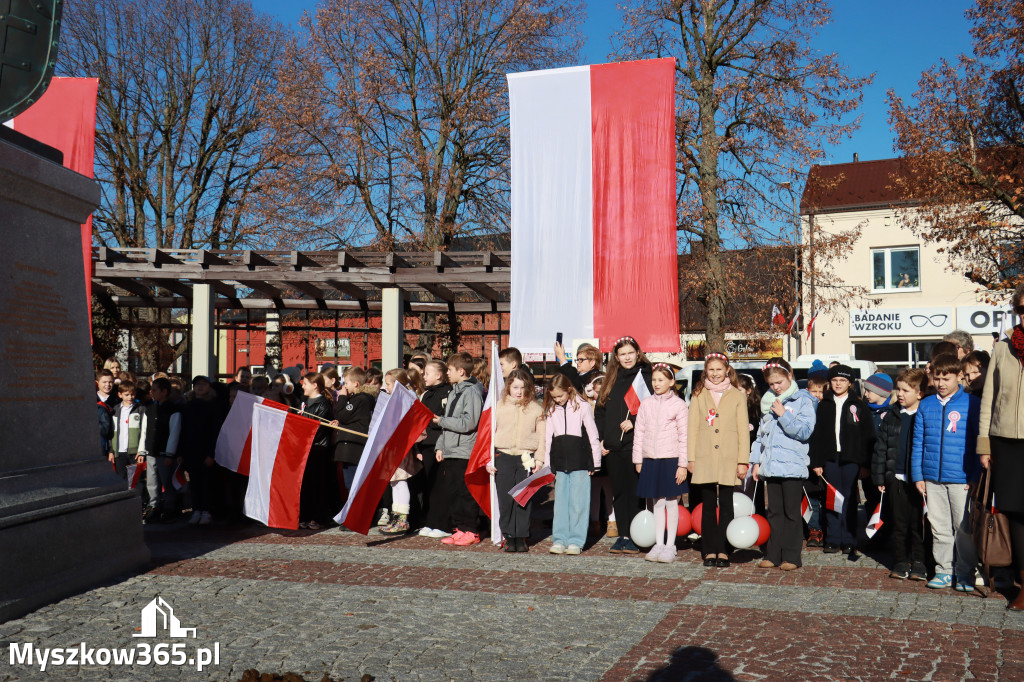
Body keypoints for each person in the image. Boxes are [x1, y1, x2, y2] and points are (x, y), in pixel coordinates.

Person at [912, 352, 981, 591]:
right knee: (938, 526)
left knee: (963, 528)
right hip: (932, 477)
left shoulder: (972, 403)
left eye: (947, 378)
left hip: (961, 478)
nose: (941, 383)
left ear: (959, 376)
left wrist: (974, 476)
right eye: (937, 378)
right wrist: (918, 475)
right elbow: (918, 441)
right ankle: (943, 570)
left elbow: (976, 443)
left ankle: (965, 572)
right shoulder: (926, 404)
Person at [978, 283, 1024, 609]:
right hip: (1007, 442)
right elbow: (988, 400)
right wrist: (984, 444)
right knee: (1016, 515)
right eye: (1022, 309)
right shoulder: (1003, 347)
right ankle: (1023, 584)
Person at [750, 358, 817, 571]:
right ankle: (773, 553)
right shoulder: (768, 402)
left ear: (789, 376)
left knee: (791, 512)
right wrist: (756, 461)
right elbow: (761, 436)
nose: (776, 387)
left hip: (792, 466)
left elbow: (805, 431)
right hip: (771, 466)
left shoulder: (803, 400)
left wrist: (784, 416)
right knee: (774, 512)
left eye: (779, 382)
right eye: (771, 384)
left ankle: (791, 556)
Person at [687, 353, 748, 567]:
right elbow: (692, 427)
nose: (715, 374)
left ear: (727, 370)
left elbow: (743, 430)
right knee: (708, 503)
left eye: (719, 370)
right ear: (706, 371)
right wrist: (691, 458)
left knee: (727, 504)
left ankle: (724, 549)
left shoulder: (737, 396)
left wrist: (743, 460)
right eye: (711, 370)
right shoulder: (698, 394)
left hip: (729, 456)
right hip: (705, 456)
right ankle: (709, 549)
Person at [594, 336, 653, 555]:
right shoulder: (611, 378)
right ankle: (624, 535)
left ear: (638, 353)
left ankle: (637, 535)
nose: (627, 357)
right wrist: (601, 438)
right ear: (616, 358)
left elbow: (654, 408)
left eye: (630, 353)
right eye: (622, 354)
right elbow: (600, 412)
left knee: (634, 492)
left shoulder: (646, 376)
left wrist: (635, 421)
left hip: (634, 445)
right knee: (618, 493)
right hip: (612, 447)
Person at [809, 364, 876, 555]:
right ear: (829, 382)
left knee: (849, 499)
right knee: (832, 498)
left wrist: (865, 463)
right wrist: (817, 462)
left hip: (852, 459)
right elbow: (817, 435)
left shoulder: (859, 405)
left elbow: (867, 436)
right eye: (835, 380)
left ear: (850, 383)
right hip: (830, 458)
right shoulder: (823, 405)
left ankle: (849, 539)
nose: (838, 384)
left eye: (843, 381)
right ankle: (832, 538)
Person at [872, 368, 929, 581]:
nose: (900, 394)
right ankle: (900, 561)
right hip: (895, 478)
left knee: (918, 524)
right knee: (899, 522)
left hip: (919, 480)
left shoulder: (924, 413)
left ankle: (920, 562)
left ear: (920, 393)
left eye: (906, 390)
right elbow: (881, 448)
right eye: (898, 389)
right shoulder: (892, 415)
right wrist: (880, 477)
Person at [633, 363, 689, 563]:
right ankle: (658, 543)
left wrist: (683, 464)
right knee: (657, 502)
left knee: (672, 502)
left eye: (661, 380)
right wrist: (638, 458)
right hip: (651, 458)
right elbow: (639, 432)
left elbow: (684, 436)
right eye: (654, 380)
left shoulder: (679, 405)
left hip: (671, 458)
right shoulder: (646, 403)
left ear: (671, 382)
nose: (656, 384)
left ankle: (670, 544)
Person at [486, 368, 545, 552]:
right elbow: (488, 434)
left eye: (523, 387)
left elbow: (543, 437)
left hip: (526, 457)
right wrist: (488, 459)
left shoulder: (535, 408)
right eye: (515, 387)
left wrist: (540, 460)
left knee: (524, 499)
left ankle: (522, 536)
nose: (519, 391)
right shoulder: (499, 407)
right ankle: (509, 536)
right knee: (506, 499)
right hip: (503, 456)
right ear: (508, 388)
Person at [544, 373, 602, 556]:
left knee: (578, 503)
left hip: (580, 462)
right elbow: (548, 439)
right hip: (560, 462)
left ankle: (576, 540)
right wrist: (547, 464)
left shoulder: (583, 407)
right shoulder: (552, 409)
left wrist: (595, 462)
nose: (558, 400)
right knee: (560, 503)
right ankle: (560, 539)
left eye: (560, 396)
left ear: (569, 390)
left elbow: (593, 435)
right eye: (554, 397)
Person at [434, 352, 486, 546]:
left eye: (450, 369)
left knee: (465, 494)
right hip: (451, 450)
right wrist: (441, 446)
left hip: (464, 450)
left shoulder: (471, 391)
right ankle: (459, 528)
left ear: (461, 371)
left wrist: (441, 421)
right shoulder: (454, 390)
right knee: (454, 493)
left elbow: (469, 422)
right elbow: (450, 424)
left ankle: (471, 530)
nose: (447, 373)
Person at [381, 369, 427, 535]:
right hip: (394, 446)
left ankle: (402, 519)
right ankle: (397, 516)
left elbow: (410, 425)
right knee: (395, 482)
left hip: (402, 446)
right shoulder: (400, 398)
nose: (386, 388)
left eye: (388, 384)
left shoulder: (406, 398)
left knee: (400, 481)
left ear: (397, 384)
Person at [179, 376, 227, 526]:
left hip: (205, 450)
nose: (199, 387)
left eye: (203, 384)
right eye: (197, 384)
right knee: (194, 482)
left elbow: (214, 432)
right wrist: (181, 452)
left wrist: (211, 453)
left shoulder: (213, 406)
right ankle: (197, 510)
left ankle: (206, 510)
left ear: (209, 387)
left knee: (206, 482)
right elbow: (183, 431)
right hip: (191, 450)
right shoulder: (188, 406)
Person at [415, 360, 453, 538]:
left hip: (440, 442)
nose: (424, 376)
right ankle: (430, 521)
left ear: (438, 375)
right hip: (426, 443)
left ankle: (442, 523)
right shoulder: (425, 394)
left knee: (440, 485)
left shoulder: (447, 392)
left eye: (427, 373)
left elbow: (445, 419)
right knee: (429, 485)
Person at [299, 372, 337, 530]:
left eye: (305, 383)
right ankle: (305, 515)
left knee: (317, 485)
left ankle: (317, 517)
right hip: (306, 450)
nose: (302, 386)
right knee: (306, 485)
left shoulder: (322, 404)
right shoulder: (305, 402)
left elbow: (318, 430)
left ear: (315, 385)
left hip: (318, 449)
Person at [332, 367, 375, 502]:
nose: (345, 386)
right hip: (350, 446)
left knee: (352, 483)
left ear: (356, 384)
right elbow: (349, 418)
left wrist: (343, 397)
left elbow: (343, 415)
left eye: (347, 383)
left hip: (353, 447)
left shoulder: (360, 399)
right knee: (349, 483)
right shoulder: (358, 399)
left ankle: (355, 517)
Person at [146, 377, 182, 523]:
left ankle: (170, 507)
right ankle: (153, 506)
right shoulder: (151, 408)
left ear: (164, 392)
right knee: (152, 481)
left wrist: (170, 454)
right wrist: (144, 449)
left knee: (167, 482)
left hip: (164, 453)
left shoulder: (172, 410)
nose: (152, 392)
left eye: (155, 390)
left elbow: (174, 432)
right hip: (151, 451)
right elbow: (146, 430)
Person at [110, 381, 145, 480]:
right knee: (121, 478)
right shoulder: (115, 410)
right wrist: (111, 450)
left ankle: (138, 495)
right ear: (120, 395)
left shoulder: (140, 409)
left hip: (135, 452)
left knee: (136, 479)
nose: (130, 397)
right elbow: (111, 432)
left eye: (132, 394)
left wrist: (142, 450)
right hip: (119, 451)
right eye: (126, 395)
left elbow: (144, 431)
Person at [96, 370, 116, 459]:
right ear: (97, 383)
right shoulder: (90, 399)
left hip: (112, 444)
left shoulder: (117, 401)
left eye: (110, 382)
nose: (107, 385)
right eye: (104, 382)